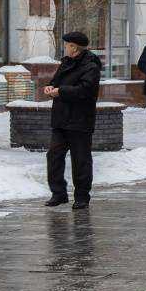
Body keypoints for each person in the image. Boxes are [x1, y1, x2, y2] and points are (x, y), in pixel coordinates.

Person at [43, 31, 102, 210]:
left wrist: (61, 91)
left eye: (67, 45)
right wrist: (50, 87)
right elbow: (56, 81)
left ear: (74, 48)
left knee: (80, 159)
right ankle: (58, 193)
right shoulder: (66, 62)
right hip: (61, 118)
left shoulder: (91, 66)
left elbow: (85, 90)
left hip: (80, 120)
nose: (65, 48)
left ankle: (82, 196)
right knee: (54, 155)